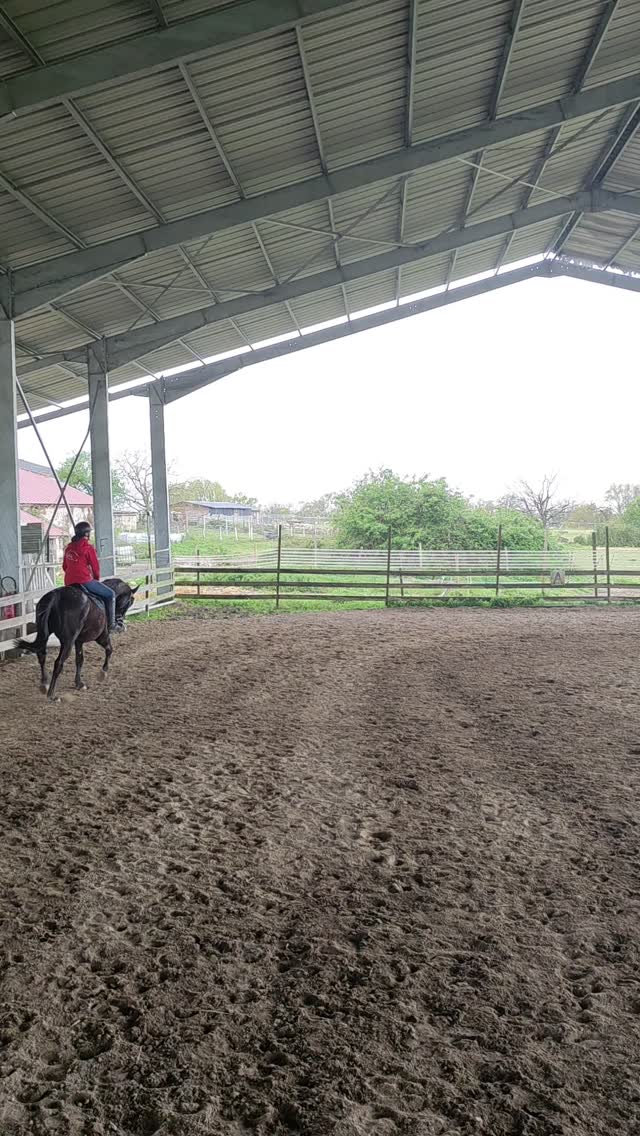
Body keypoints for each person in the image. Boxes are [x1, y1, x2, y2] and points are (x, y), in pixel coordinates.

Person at [62, 521, 118, 631]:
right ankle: (111, 624)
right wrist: (96, 580)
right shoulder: (88, 548)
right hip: (84, 580)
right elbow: (95, 568)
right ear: (87, 534)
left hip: (69, 582)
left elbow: (64, 567)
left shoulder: (68, 548)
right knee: (110, 594)